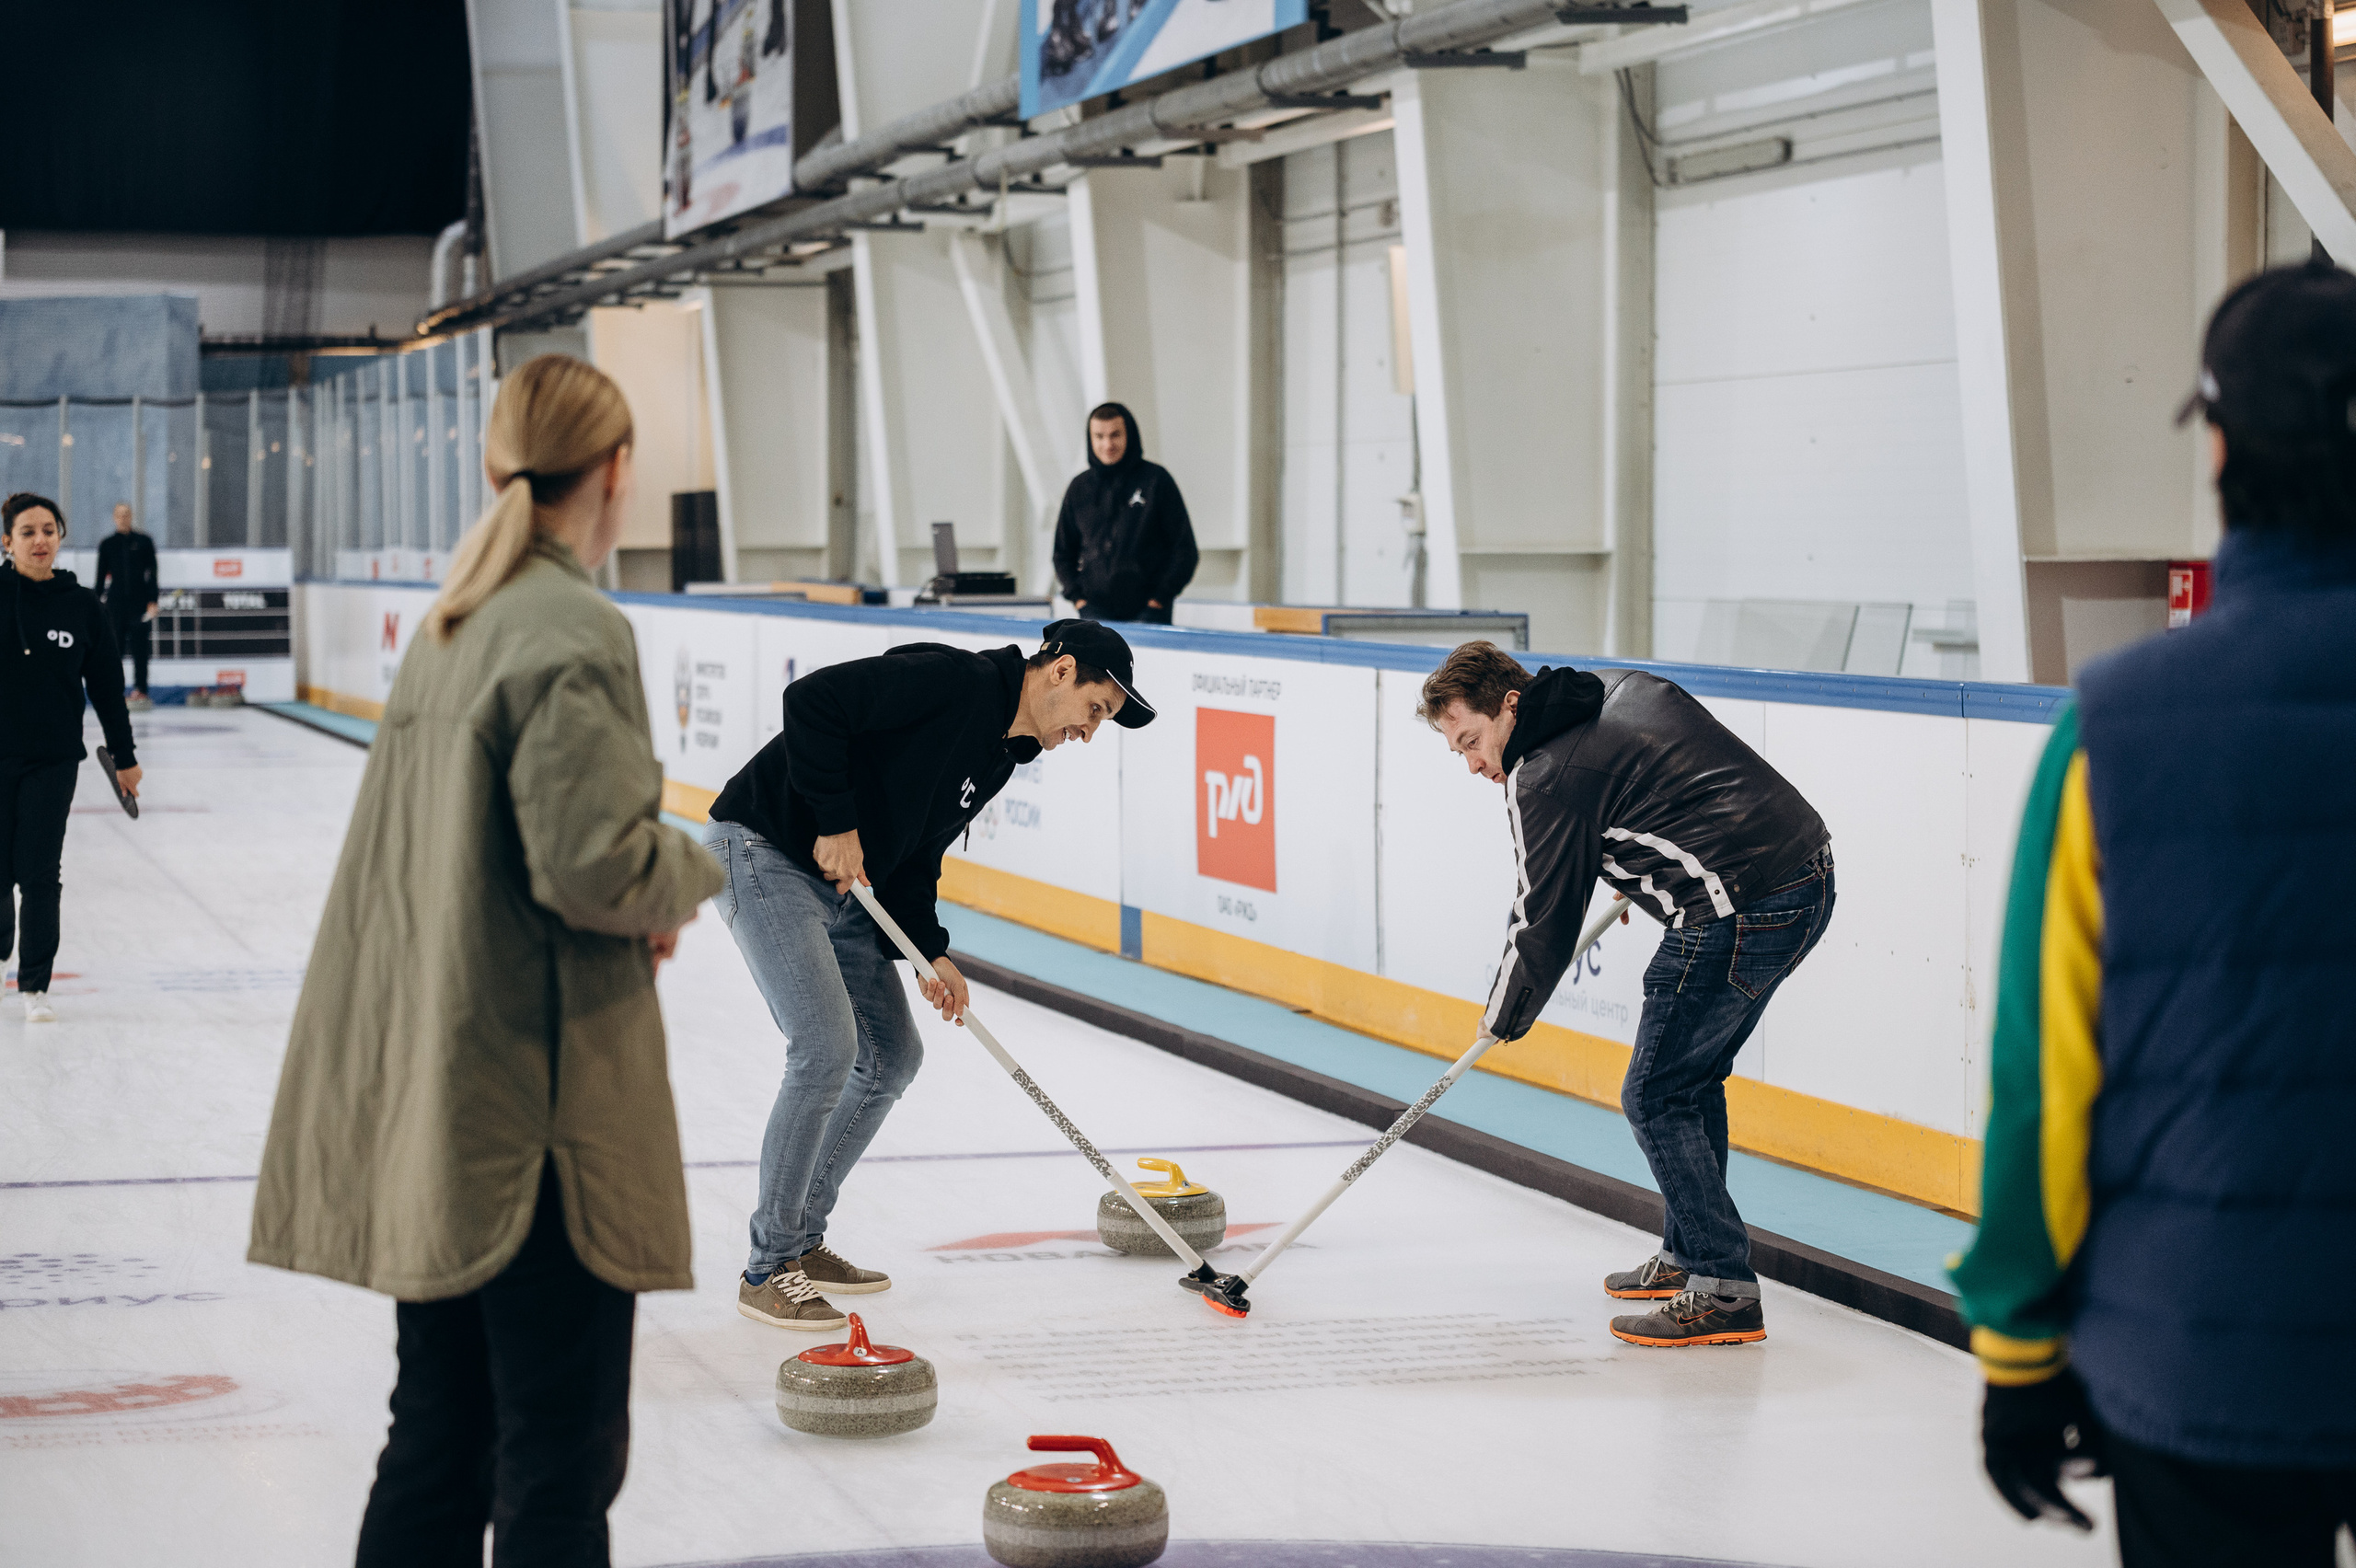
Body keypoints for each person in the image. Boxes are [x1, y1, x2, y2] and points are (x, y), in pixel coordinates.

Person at [248, 356, 722, 1566]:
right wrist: (692, 872)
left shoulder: (454, 624)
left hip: (445, 1108)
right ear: (616, 476)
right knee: (556, 1468)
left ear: (490, 466)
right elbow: (591, 865)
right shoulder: (569, 626)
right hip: (536, 1133)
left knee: (439, 1440)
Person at [1952, 262, 2356, 1565]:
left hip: (2201, 1347)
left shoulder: (2116, 731)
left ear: (2222, 442)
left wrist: (2018, 1342)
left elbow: (2047, 1078)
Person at [702, 617, 1157, 1330]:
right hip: (765, 850)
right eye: (1096, 710)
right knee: (826, 1047)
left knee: (893, 1055)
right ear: (1062, 671)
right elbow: (812, 702)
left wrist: (930, 952)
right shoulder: (954, 681)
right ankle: (768, 1266)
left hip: (845, 888)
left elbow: (915, 858)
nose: (1091, 732)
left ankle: (802, 1238)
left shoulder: (1002, 754)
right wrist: (835, 820)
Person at [1419, 640, 1833, 1347]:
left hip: (1743, 904)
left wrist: (1502, 1017)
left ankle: (1723, 1287)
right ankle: (1688, 1253)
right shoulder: (1603, 687)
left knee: (1655, 1094)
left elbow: (1541, 921)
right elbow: (1669, 783)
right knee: (1690, 1081)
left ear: (1509, 706)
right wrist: (1640, 860)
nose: (1474, 765)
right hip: (1804, 872)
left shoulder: (1542, 775)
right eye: (1458, 750)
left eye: (1473, 740)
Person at [2, 492, 142, 1025]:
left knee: (39, 874)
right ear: (7, 540)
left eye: (48, 530)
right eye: (27, 532)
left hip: (53, 760)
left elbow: (107, 689)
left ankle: (34, 984)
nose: (40, 540)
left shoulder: (84, 607)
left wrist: (125, 758)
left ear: (60, 536)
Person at [1052, 401, 1197, 627]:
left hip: (1150, 615)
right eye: (1099, 436)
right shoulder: (1079, 488)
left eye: (1115, 435)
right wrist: (1079, 600)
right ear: (1090, 440)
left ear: (1129, 435)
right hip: (1094, 615)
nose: (1107, 444)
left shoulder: (1156, 481)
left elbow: (1184, 550)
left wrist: (1159, 600)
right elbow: (1062, 553)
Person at [95, 501, 159, 709]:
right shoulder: (107, 544)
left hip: (139, 604)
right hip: (116, 605)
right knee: (115, 650)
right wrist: (95, 605)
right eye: (119, 515)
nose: (123, 518)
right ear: (114, 517)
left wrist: (153, 601)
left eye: (126, 514)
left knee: (141, 650)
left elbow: (152, 574)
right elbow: (99, 579)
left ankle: (141, 689)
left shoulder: (144, 542)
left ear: (131, 516)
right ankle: (114, 691)